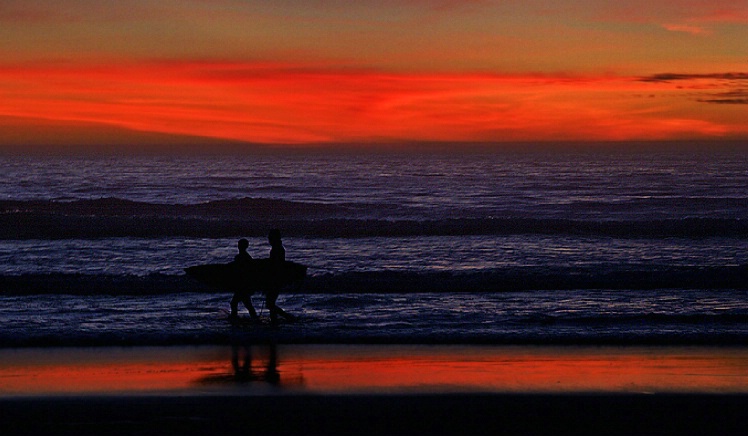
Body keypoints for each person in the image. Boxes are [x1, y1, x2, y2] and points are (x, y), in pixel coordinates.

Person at [266, 229, 294, 324]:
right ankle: (274, 320)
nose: (268, 239)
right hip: (277, 278)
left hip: (276, 279)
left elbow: (276, 265)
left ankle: (287, 317)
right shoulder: (277, 248)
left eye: (270, 238)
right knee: (270, 302)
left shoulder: (277, 249)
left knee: (269, 303)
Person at [229, 238, 258, 320]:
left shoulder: (243, 257)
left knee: (235, 303)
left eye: (240, 245)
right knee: (247, 303)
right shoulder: (245, 257)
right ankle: (254, 317)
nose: (238, 246)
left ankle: (234, 317)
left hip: (243, 285)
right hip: (244, 285)